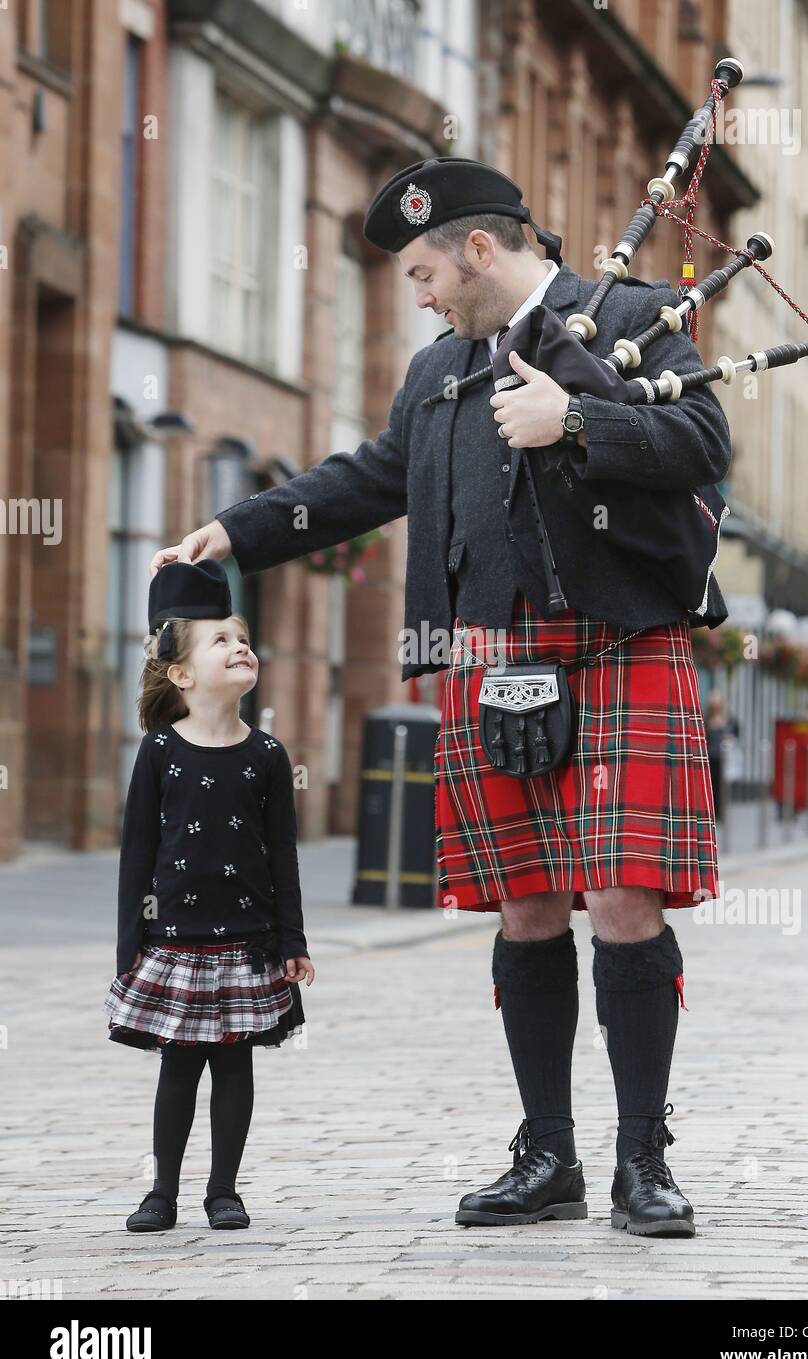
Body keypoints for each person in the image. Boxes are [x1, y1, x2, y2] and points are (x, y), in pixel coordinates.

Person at [148, 157, 732, 1237]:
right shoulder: (435, 371)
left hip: (615, 643)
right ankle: (545, 1151)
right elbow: (371, 476)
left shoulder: (630, 317)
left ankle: (640, 1157)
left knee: (621, 899)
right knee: (524, 905)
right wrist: (242, 527)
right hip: (487, 659)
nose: (417, 294)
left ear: (477, 248)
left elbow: (702, 445)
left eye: (422, 272)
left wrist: (575, 422)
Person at [103, 559, 314, 1233]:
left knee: (234, 1067)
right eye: (221, 639)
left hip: (246, 944)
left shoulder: (269, 755)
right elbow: (136, 853)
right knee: (178, 1071)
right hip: (173, 943)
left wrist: (293, 943)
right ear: (183, 675)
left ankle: (223, 1190)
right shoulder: (161, 750)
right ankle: (160, 1190)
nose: (239, 645)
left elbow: (283, 855)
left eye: (243, 637)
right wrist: (129, 945)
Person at [704, 689, 740, 822]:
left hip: (724, 758)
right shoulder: (706, 718)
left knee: (722, 786)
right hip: (710, 756)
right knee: (711, 785)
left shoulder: (730, 719)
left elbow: (736, 734)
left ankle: (720, 812)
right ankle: (711, 811)